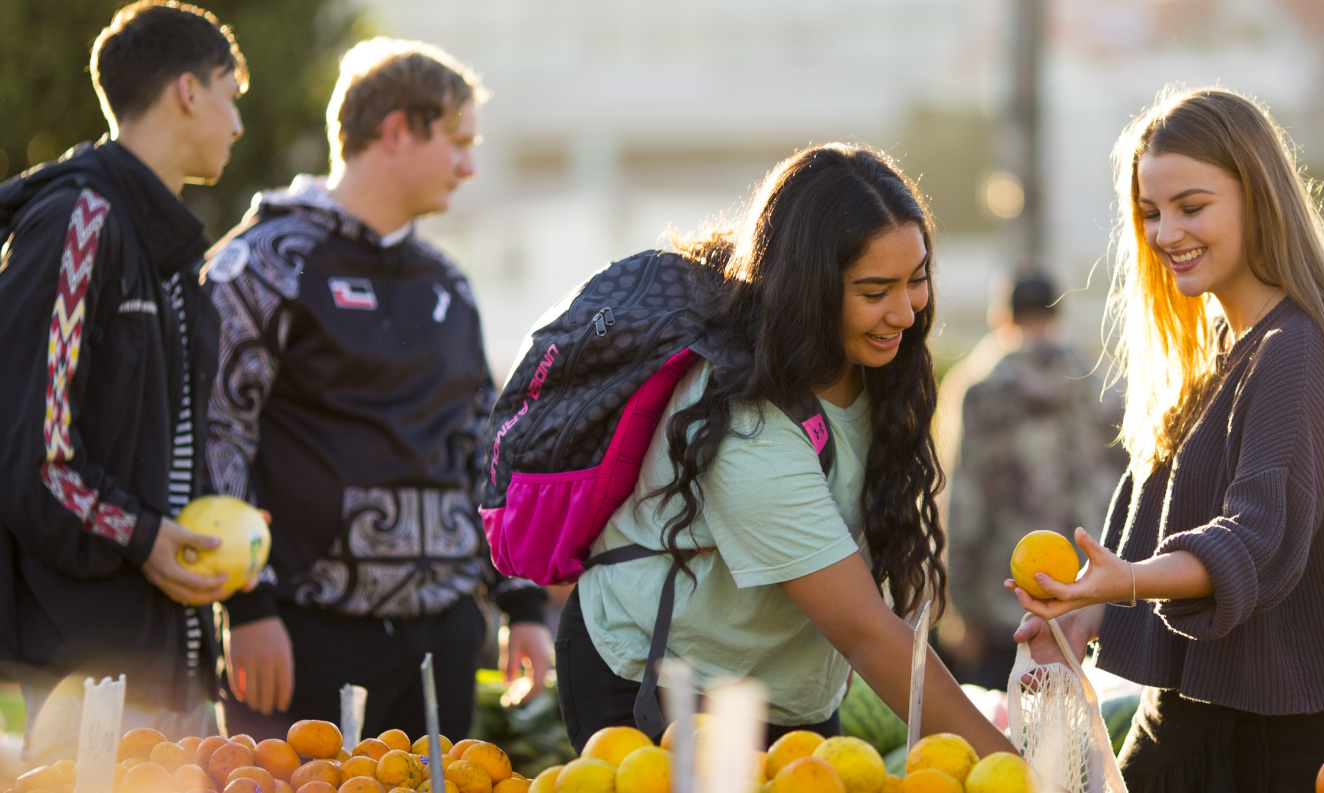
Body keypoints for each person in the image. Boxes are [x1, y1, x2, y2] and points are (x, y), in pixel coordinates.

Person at [1009, 86, 1324, 789]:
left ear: (1259, 197)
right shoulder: (1225, 349)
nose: (1164, 233)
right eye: (1149, 213)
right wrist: (1090, 609)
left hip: (1294, 739)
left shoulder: (1295, 347)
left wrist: (1127, 583)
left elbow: (1256, 535)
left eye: (1190, 207)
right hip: (1214, 716)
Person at [558, 143, 1014, 755]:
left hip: (788, 693)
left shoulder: (880, 370)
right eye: (875, 290)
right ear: (810, 289)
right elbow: (865, 631)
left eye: (917, 279)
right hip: (655, 679)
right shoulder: (745, 423)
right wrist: (1016, 770)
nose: (904, 313)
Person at [203, 38, 551, 741]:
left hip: (444, 634)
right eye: (455, 141)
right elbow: (217, 432)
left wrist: (522, 605)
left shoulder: (446, 283)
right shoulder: (264, 263)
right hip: (300, 631)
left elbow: (482, 445)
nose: (469, 165)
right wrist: (249, 608)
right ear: (395, 130)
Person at [0, 1, 247, 762]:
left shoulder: (169, 247)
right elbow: (34, 461)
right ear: (187, 91)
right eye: (230, 94)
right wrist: (144, 537)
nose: (238, 123)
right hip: (87, 668)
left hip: (167, 652)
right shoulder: (80, 222)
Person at [944, 272, 1123, 690]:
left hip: (1009, 604)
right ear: (1057, 313)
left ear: (1002, 317)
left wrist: (963, 607)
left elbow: (967, 507)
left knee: (1003, 735)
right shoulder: (1101, 388)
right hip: (1092, 599)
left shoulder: (982, 393)